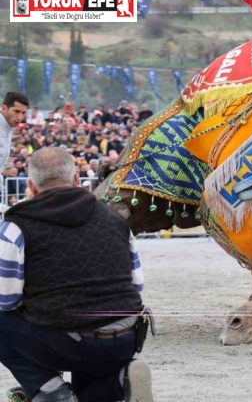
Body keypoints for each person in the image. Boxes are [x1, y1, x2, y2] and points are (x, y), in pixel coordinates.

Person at [0, 147, 154, 402]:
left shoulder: (16, 224)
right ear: (75, 180)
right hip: (125, 338)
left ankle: (51, 390)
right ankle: (119, 378)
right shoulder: (114, 218)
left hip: (67, 342)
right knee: (90, 388)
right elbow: (137, 286)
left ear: (31, 186)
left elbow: (7, 299)